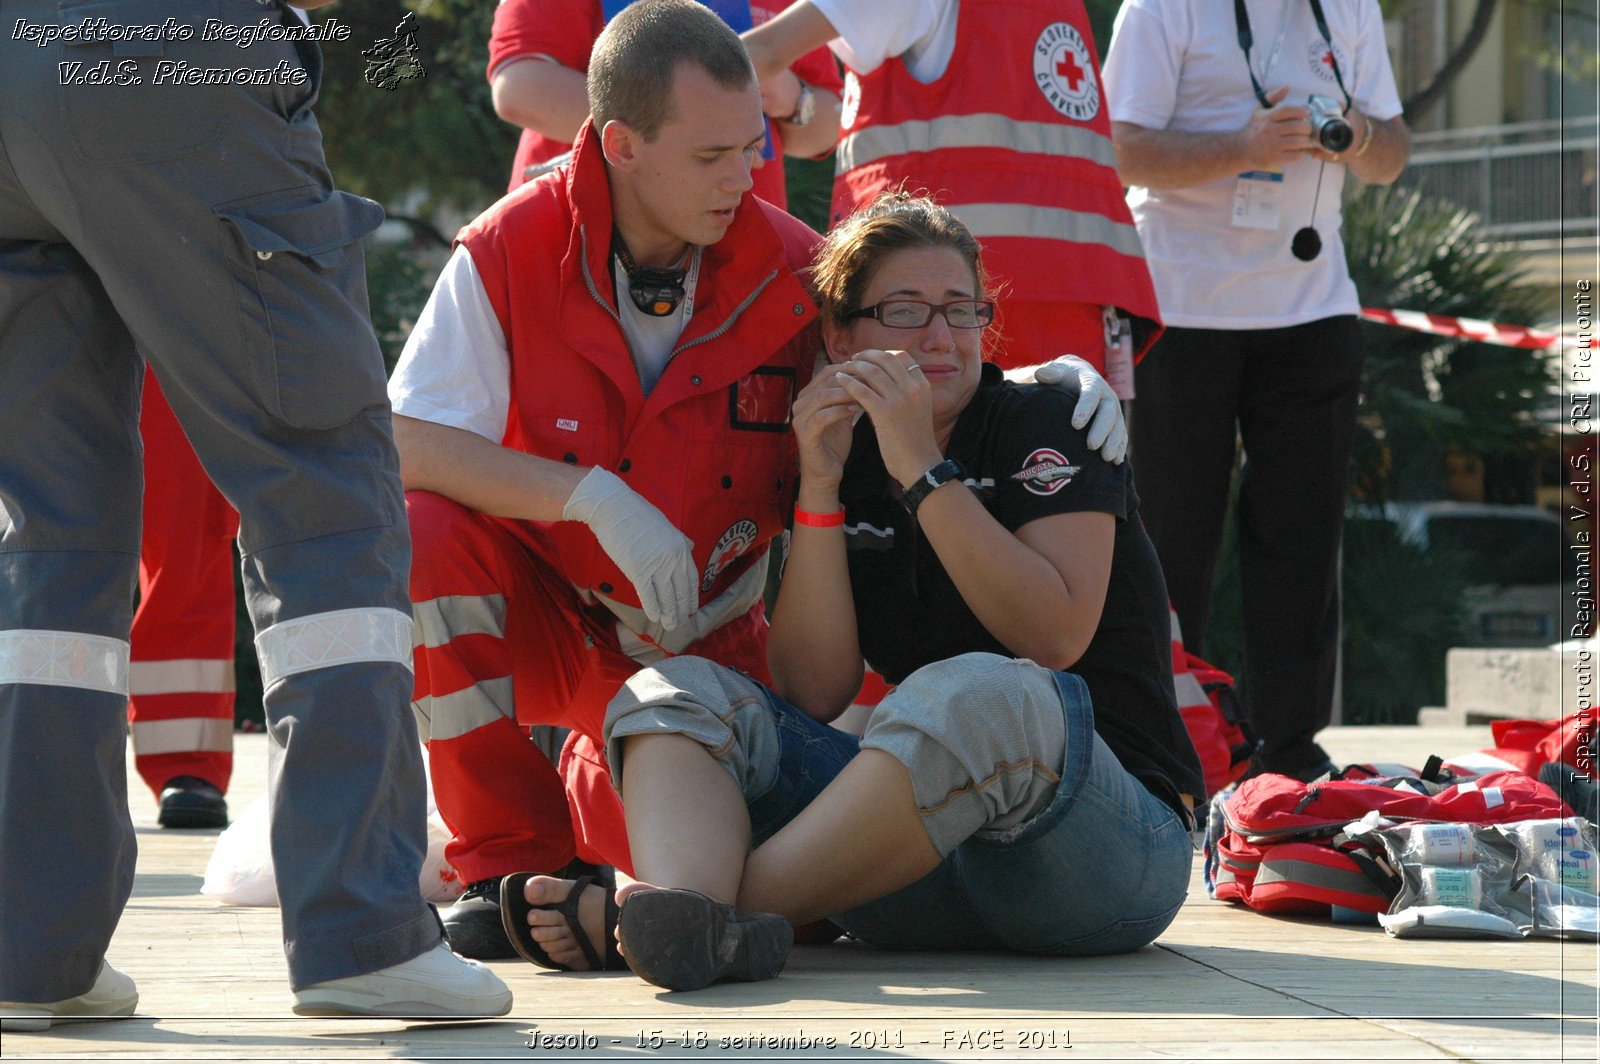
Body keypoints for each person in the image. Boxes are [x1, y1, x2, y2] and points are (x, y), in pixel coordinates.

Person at [394, 0, 1129, 962]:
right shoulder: (507, 250)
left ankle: (609, 883)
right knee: (421, 531)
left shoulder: (788, 264)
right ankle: (504, 862)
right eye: (711, 158)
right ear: (617, 144)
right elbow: (400, 441)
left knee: (762, 878)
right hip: (551, 616)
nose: (744, 177)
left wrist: (1046, 376)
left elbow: (911, 344)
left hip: (706, 655)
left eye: (752, 148)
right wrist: (591, 499)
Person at [508, 192, 1204, 991]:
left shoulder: (1047, 420)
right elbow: (813, 688)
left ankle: (681, 916)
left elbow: (1053, 637)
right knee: (675, 693)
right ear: (840, 337)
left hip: (1101, 859)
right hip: (914, 867)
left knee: (979, 691)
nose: (940, 338)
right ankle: (692, 918)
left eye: (961, 311)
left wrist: (920, 468)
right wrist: (821, 481)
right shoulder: (842, 454)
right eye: (905, 311)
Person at [0, 0, 509, 1029]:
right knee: (322, 482)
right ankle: (362, 930)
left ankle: (29, 945)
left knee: (51, 527)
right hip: (165, 58)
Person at [1103, 0, 1410, 779]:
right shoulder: (1161, 9)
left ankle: (1291, 754)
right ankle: (1169, 746)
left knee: (1302, 542)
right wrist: (1243, 145)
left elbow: (1393, 152)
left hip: (1313, 309)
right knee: (1171, 540)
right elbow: (1119, 149)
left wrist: (1356, 135)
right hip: (1180, 307)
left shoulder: (1349, 9)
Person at [739, 0, 1162, 385]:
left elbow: (752, 56)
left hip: (950, 298)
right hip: (1078, 289)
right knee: (1048, 458)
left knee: (927, 460)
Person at [487, 0, 843, 205]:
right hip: (580, 233)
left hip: (740, 255)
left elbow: (827, 128)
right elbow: (519, 87)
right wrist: (692, 129)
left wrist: (795, 98)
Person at [132, 369, 239, 831]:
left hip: (171, 312)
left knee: (184, 544)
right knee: (41, 538)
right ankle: (39, 756)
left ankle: (187, 757)